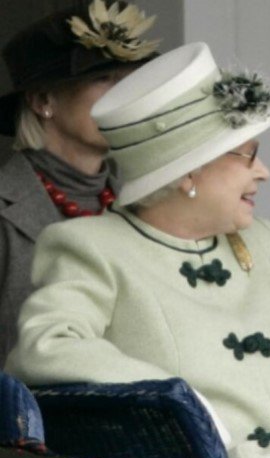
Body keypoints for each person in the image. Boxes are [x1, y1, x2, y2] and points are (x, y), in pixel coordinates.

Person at [5, 42, 270, 458]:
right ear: (187, 171)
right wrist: (179, 398)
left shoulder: (265, 244)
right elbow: (48, 344)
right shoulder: (93, 247)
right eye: (248, 155)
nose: (263, 172)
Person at [0, 0, 160, 366]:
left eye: (128, 79)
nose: (124, 95)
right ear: (43, 101)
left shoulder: (148, 203)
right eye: (103, 79)